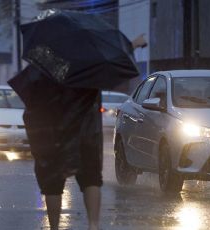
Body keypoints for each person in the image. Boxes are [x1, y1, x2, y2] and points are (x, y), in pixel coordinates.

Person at [22, 35, 147, 230]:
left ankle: (54, 227)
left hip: (52, 134)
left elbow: (29, 98)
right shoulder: (88, 68)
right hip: (85, 134)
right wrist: (133, 44)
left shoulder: (44, 68)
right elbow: (113, 59)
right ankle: (93, 225)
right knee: (91, 179)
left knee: (52, 183)